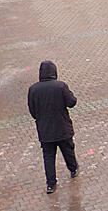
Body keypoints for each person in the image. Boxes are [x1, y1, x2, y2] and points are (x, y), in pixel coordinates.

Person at [28, 60, 80, 194]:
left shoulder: (33, 89)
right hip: (62, 128)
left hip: (45, 131)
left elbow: (33, 111)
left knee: (48, 156)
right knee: (68, 150)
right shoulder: (60, 86)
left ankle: (51, 184)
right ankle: (73, 169)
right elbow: (71, 102)